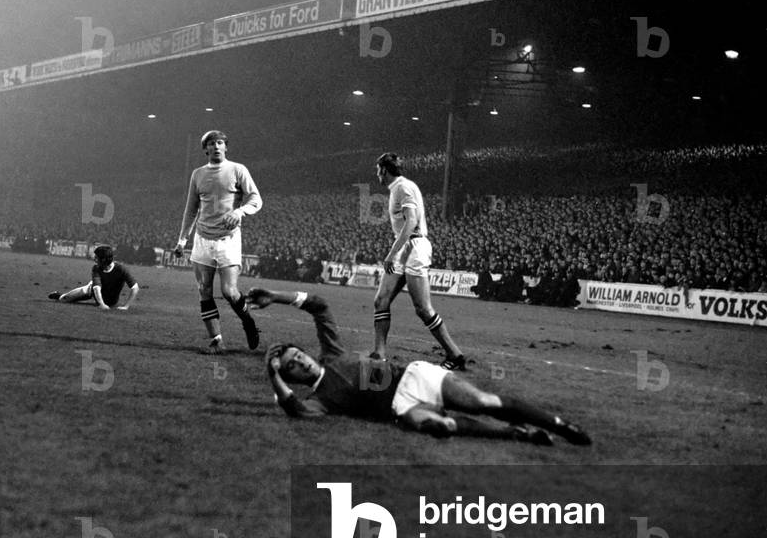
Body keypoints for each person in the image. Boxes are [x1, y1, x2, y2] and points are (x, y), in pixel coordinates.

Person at [247, 286, 591, 445]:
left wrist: (275, 297)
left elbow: (320, 306)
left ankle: (560, 425)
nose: (301, 362)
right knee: (437, 426)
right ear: (292, 377)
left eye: (299, 356)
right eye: (293, 366)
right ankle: (517, 434)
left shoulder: (332, 354)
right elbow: (294, 410)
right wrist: (272, 372)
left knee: (485, 402)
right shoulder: (319, 400)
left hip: (415, 375)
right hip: (401, 407)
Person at [370, 152, 467, 370]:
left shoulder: (403, 187)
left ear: (384, 170)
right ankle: (379, 354)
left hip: (414, 247)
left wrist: (391, 253)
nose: (377, 173)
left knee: (423, 309)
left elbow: (412, 222)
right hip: (405, 248)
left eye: (378, 169)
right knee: (381, 300)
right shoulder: (398, 188)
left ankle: (455, 355)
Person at [174, 130, 262, 354]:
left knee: (229, 291)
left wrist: (240, 212)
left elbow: (256, 199)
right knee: (204, 289)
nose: (216, 146)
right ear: (205, 149)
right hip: (202, 239)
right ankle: (217, 341)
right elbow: (191, 209)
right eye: (211, 143)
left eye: (220, 142)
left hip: (228, 239)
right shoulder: (197, 174)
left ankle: (248, 321)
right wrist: (182, 239)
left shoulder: (238, 170)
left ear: (226, 147)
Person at [48, 245, 140, 310]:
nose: (94, 259)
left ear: (103, 259)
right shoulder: (96, 268)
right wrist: (102, 304)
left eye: (96, 257)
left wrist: (126, 306)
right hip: (91, 290)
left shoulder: (121, 269)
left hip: (111, 300)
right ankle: (59, 296)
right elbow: (96, 288)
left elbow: (135, 287)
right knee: (65, 299)